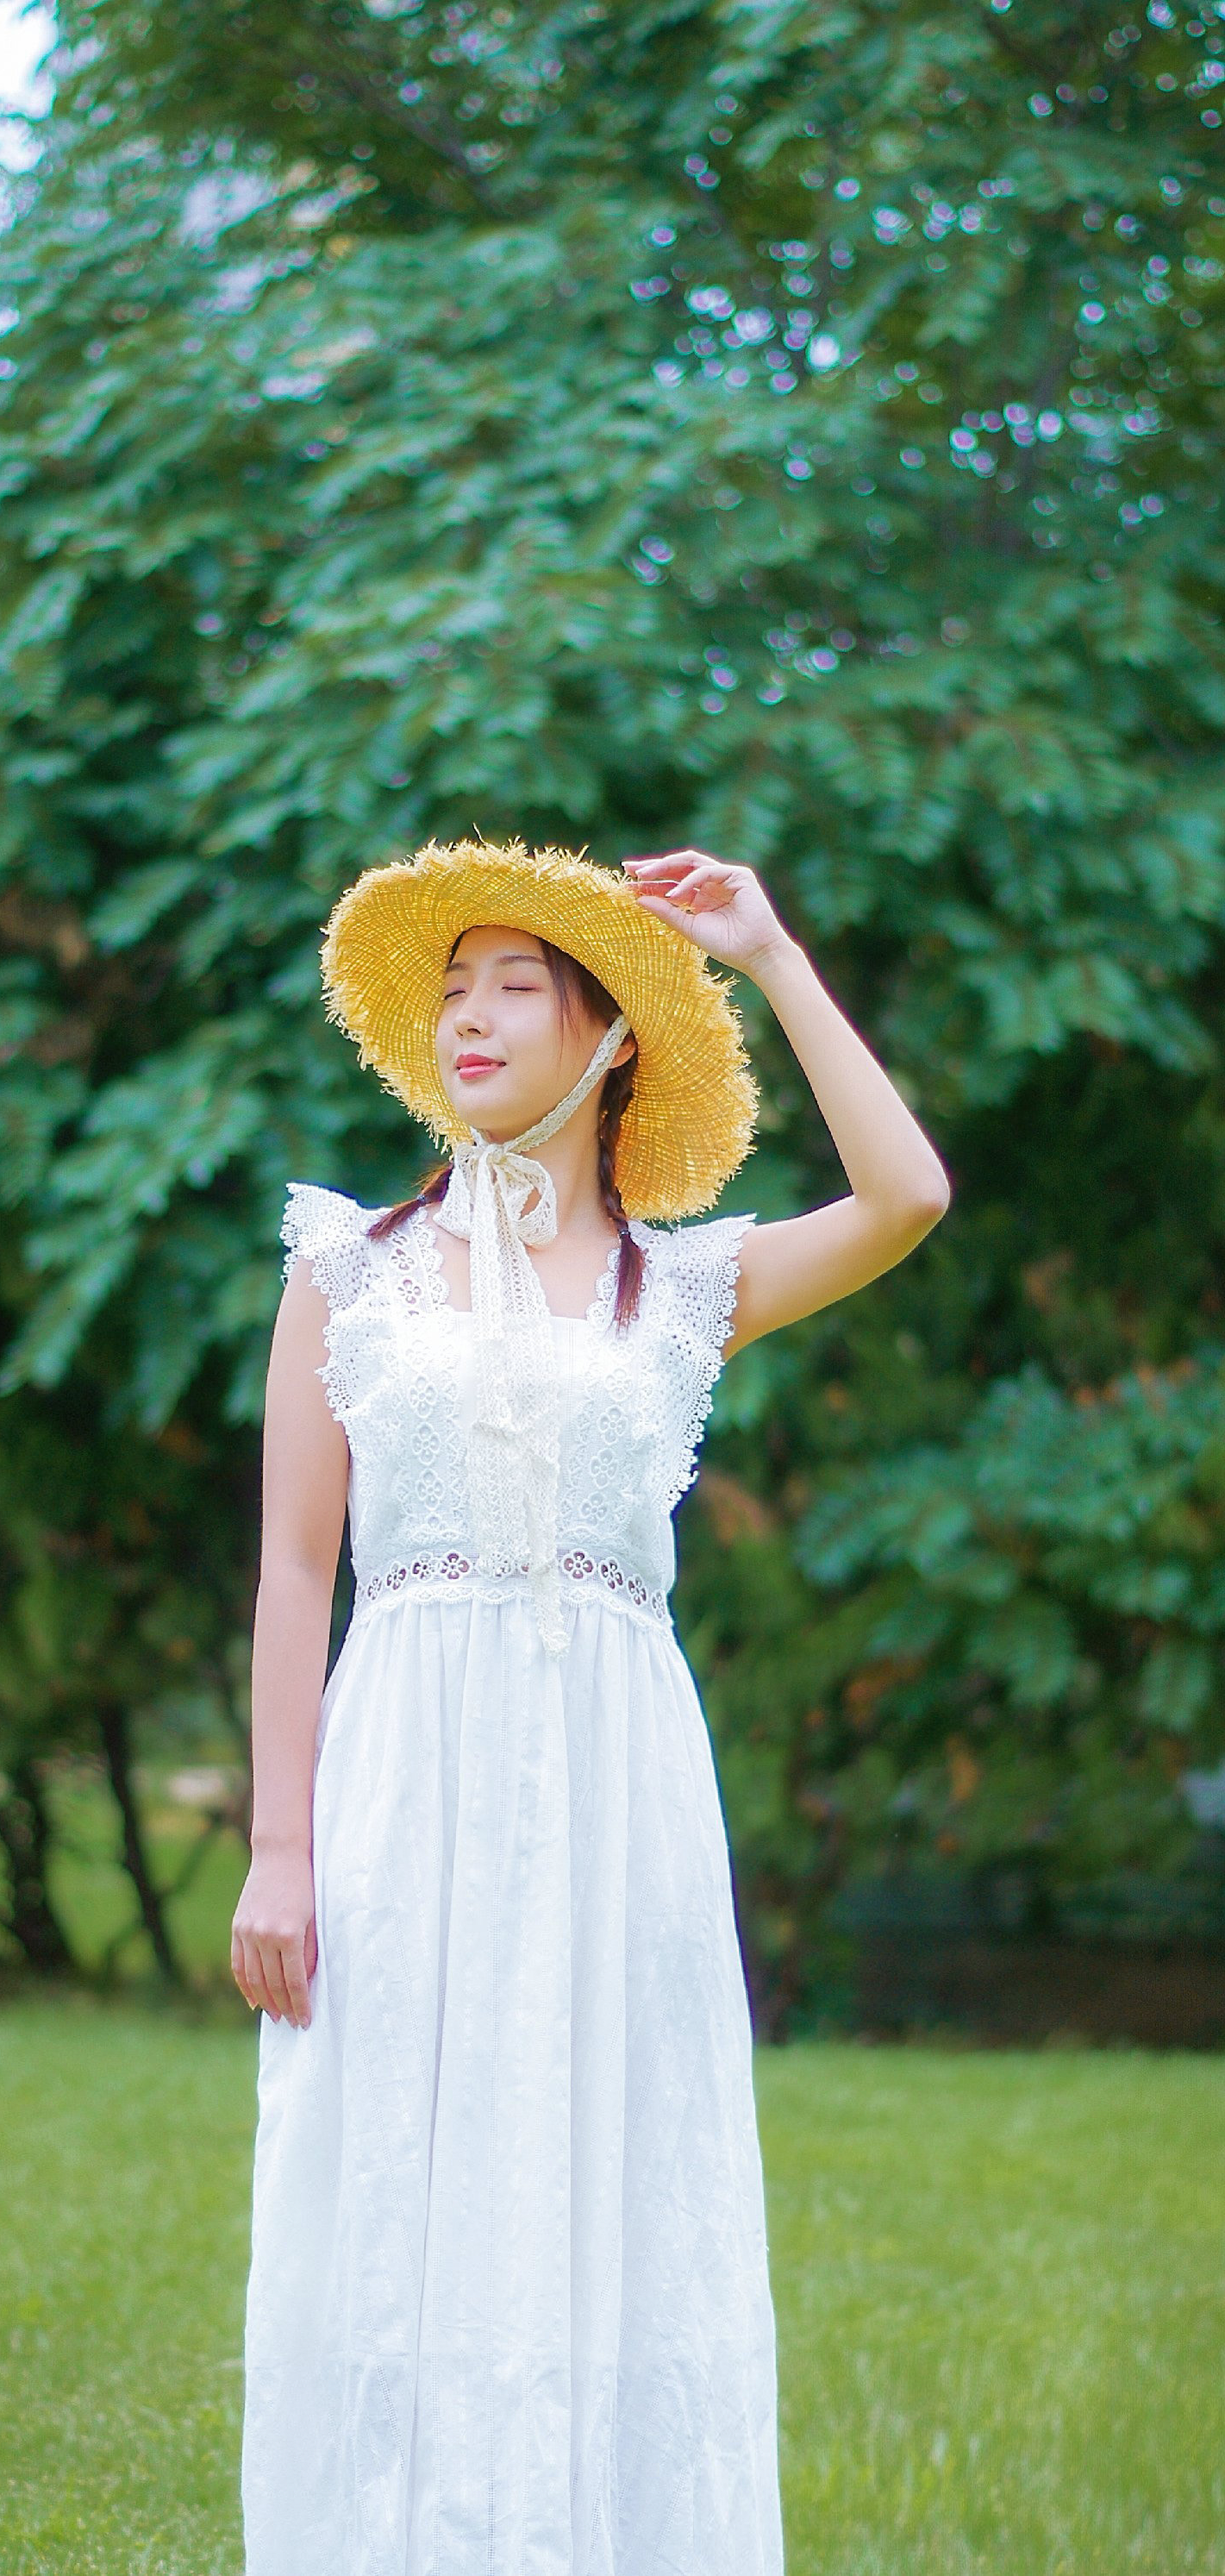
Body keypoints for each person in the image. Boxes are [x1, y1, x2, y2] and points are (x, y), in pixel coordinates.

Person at [232, 837, 950, 2575]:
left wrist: (771, 950)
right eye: (452, 988)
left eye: (515, 987)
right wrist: (277, 1845)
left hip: (616, 1791)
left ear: (609, 1034)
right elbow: (290, 1568)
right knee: (404, 2177)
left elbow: (908, 1195)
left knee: (610, 2173)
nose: (469, 1017)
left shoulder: (683, 1289)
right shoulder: (349, 1270)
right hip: (402, 1772)